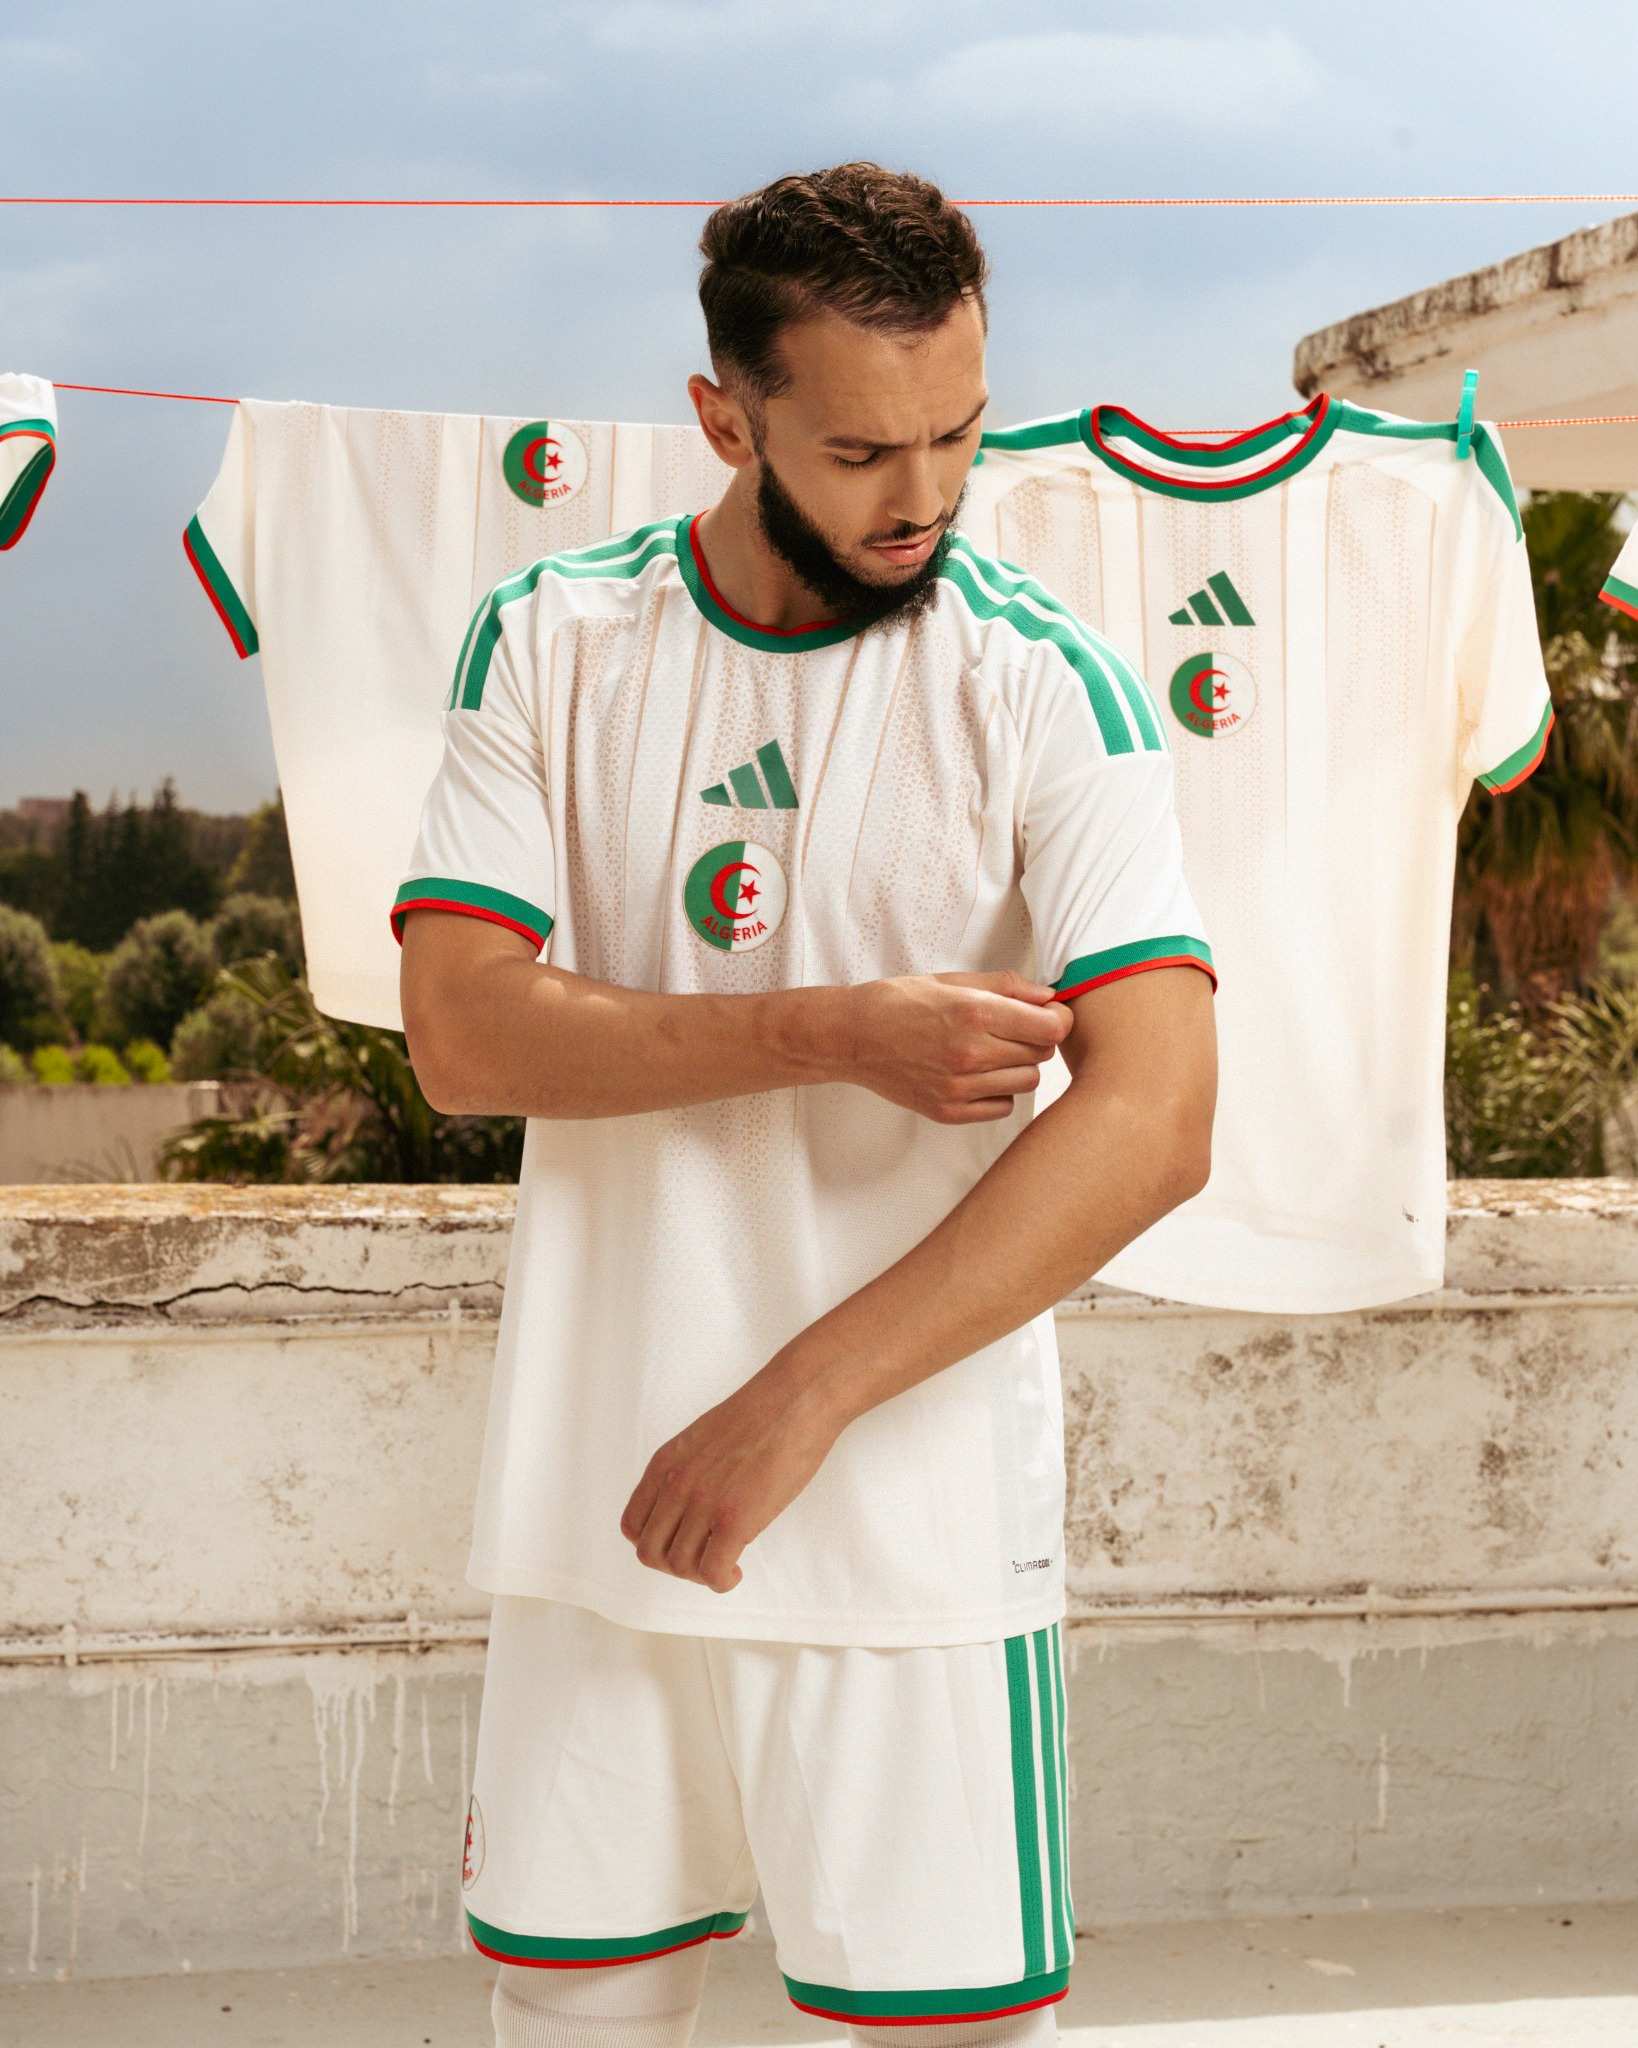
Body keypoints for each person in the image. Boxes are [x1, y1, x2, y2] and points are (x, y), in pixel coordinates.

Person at [393, 159, 1218, 2048]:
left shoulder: (1045, 682)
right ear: (724, 418)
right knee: (577, 2023)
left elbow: (1158, 1115)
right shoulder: (551, 639)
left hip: (908, 1534)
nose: (921, 493)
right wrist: (827, 1031)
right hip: (595, 1508)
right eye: (858, 452)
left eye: (958, 432)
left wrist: (797, 1403)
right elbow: (462, 1035)